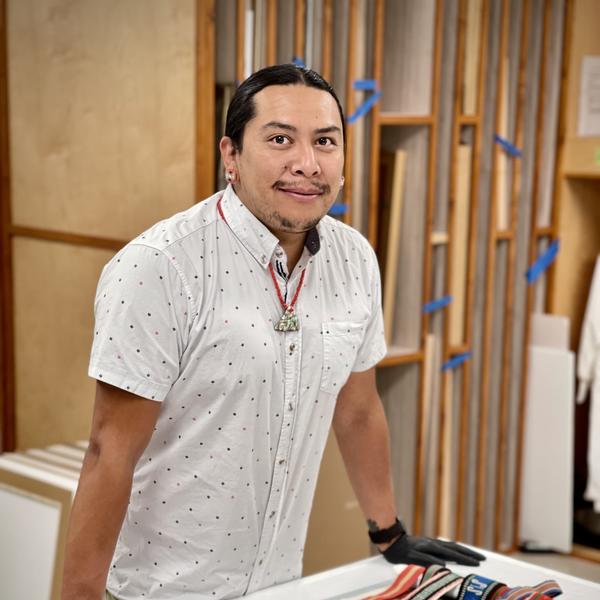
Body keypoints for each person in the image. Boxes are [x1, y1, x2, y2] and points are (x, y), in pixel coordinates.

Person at [62, 64, 484, 600]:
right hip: (160, 590)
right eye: (280, 139)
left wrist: (388, 530)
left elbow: (357, 408)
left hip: (279, 585)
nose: (306, 164)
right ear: (231, 156)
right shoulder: (161, 266)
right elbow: (109, 452)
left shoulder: (353, 259)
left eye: (325, 141)